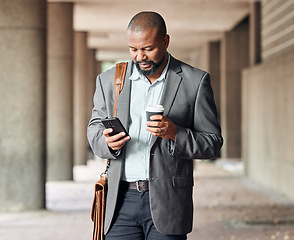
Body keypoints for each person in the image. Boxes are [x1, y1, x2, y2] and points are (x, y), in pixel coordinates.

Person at [87, 11, 223, 240]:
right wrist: (107, 142)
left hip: (168, 201)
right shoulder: (109, 80)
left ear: (165, 41)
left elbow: (212, 143)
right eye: (133, 49)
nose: (140, 57)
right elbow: (94, 130)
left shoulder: (195, 81)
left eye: (148, 49)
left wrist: (175, 133)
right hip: (119, 202)